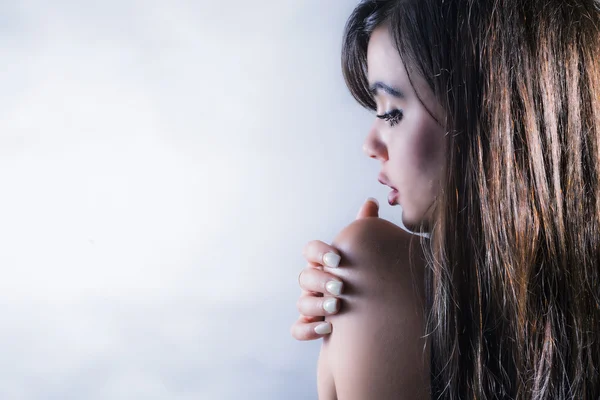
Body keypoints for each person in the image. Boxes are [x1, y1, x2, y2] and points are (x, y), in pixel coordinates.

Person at [290, 0, 600, 399]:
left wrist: (367, 278)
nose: (370, 145)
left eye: (392, 113)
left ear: (494, 114)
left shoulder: (376, 267)